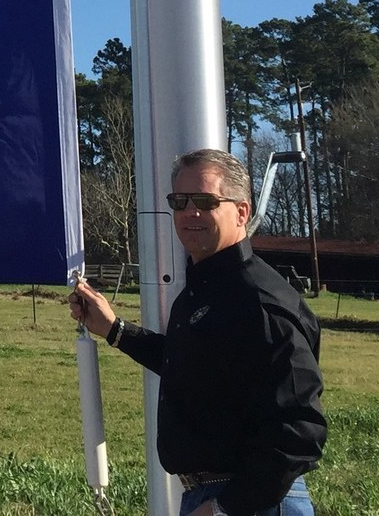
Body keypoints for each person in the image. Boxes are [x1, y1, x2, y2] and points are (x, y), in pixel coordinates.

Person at [69, 148, 324, 516]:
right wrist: (114, 329)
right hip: (213, 497)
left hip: (253, 501)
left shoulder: (260, 301)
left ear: (242, 211)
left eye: (205, 200)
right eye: (180, 201)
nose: (190, 212)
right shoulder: (202, 290)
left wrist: (225, 507)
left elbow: (301, 431)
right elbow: (189, 364)